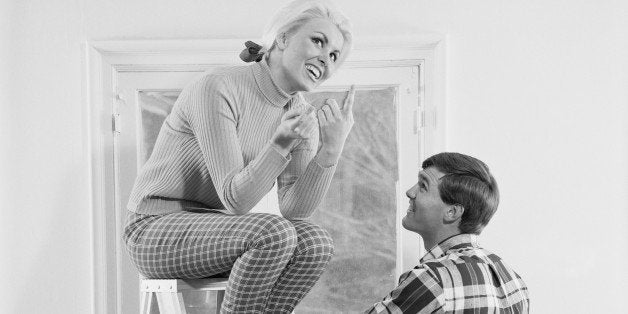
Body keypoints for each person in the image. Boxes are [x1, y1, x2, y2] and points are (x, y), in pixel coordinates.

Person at [122, 0, 354, 312]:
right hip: (152, 229)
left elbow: (294, 209)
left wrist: (331, 150)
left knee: (315, 243)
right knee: (273, 234)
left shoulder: (301, 116)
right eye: (318, 41)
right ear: (283, 38)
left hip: (215, 231)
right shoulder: (219, 86)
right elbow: (236, 200)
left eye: (335, 55)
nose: (326, 59)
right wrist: (281, 142)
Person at [365, 153, 530, 313]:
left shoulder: (433, 279)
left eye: (423, 186)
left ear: (452, 212)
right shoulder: (512, 278)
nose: (410, 192)